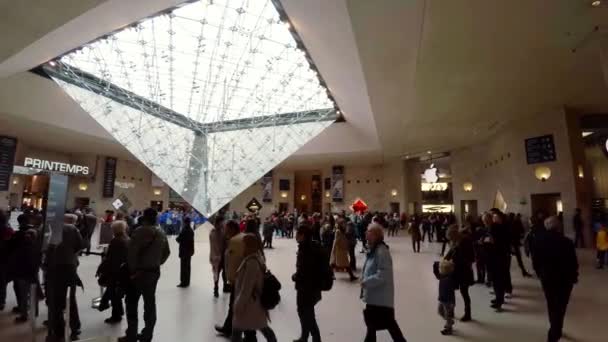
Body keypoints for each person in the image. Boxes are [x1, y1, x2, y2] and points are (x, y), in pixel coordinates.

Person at [119, 208, 171, 342]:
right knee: (150, 304)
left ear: (144, 217)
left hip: (138, 273)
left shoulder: (140, 231)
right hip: (153, 272)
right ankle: (147, 334)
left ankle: (131, 334)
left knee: (131, 303)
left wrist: (133, 271)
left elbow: (131, 253)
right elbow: (167, 253)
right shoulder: (161, 232)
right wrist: (156, 263)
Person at [531, 216, 578, 342]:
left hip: (547, 277)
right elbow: (573, 262)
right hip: (564, 279)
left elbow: (535, 261)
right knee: (561, 306)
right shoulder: (567, 241)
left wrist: (539, 273)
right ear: (558, 226)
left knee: (551, 304)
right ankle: (554, 333)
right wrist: (574, 277)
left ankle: (555, 328)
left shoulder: (538, 241)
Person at [360, 224, 407, 342]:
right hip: (375, 297)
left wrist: (366, 282)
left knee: (389, 327)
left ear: (375, 235)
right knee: (372, 328)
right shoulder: (374, 249)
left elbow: (383, 275)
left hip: (380, 299)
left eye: (368, 231)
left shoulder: (382, 251)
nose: (366, 233)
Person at [45, 213, 85, 342]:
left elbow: (46, 249)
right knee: (71, 298)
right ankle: (75, 327)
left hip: (55, 268)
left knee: (56, 300)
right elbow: (80, 245)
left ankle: (59, 333)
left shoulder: (52, 228)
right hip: (69, 267)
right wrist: (71, 256)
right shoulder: (73, 229)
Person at [215, 221, 257, 341]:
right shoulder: (243, 237)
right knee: (234, 306)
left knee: (238, 307)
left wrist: (231, 278)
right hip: (243, 279)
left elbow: (233, 263)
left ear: (232, 229)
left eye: (227, 229)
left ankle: (249, 336)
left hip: (239, 280)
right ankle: (229, 328)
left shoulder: (235, 241)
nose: (225, 231)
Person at [231, 234, 277, 342]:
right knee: (261, 326)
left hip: (249, 303)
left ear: (248, 246)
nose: (241, 247)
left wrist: (238, 305)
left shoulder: (251, 262)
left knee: (238, 329)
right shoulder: (255, 257)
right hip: (252, 302)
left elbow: (247, 287)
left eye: (243, 244)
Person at [293, 225, 324, 342]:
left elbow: (305, 270)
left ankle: (316, 338)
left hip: (306, 288)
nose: (296, 236)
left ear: (303, 236)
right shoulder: (311, 246)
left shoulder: (307, 249)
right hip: (311, 287)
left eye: (298, 234)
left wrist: (295, 276)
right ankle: (305, 336)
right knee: (305, 312)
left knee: (306, 313)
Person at [8, 215, 39, 323]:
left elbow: (11, 250)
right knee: (32, 292)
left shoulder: (21, 241)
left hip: (22, 273)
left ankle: (24, 314)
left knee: (23, 293)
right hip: (33, 272)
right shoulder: (36, 245)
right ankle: (34, 312)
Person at [97, 220, 130, 324]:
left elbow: (110, 258)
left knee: (113, 293)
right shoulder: (127, 238)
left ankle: (116, 316)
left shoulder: (116, 241)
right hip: (123, 270)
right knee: (116, 293)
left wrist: (101, 269)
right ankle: (118, 312)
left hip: (115, 271)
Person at [444, 225, 475, 322]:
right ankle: (451, 310)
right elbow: (449, 254)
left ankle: (468, 313)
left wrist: (456, 258)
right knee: (451, 290)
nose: (451, 241)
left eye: (451, 238)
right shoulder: (455, 242)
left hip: (464, 271)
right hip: (456, 271)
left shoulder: (465, 241)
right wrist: (444, 261)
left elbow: (470, 258)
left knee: (464, 292)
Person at [488, 211, 511, 312]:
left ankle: (499, 301)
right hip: (498, 256)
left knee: (499, 280)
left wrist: (489, 241)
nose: (494, 218)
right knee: (497, 280)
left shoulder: (498, 228)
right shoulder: (501, 228)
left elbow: (495, 241)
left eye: (495, 217)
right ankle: (498, 298)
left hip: (499, 257)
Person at [433, 258, 456, 335]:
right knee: (440, 312)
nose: (440, 270)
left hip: (449, 301)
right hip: (442, 299)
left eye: (441, 268)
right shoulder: (442, 276)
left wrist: (452, 303)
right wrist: (435, 266)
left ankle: (449, 328)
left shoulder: (450, 279)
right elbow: (436, 274)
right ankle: (449, 321)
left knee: (448, 314)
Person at [210, 215, 228, 297]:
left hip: (218, 256)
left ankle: (220, 287)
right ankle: (218, 288)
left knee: (220, 273)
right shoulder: (219, 232)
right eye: (222, 222)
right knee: (218, 273)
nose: (224, 224)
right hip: (219, 257)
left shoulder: (213, 232)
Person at [510, 213, 532, 277]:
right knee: (519, 258)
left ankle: (523, 271)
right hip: (515, 243)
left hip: (512, 243)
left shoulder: (509, 223)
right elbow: (521, 231)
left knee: (517, 258)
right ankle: (523, 271)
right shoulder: (516, 222)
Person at [176, 217, 194, 288]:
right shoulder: (191, 230)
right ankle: (187, 281)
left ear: (184, 222)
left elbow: (179, 239)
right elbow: (192, 241)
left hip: (184, 251)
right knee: (188, 267)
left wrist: (177, 239)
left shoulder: (184, 230)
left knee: (183, 267)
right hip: (189, 251)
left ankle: (183, 282)